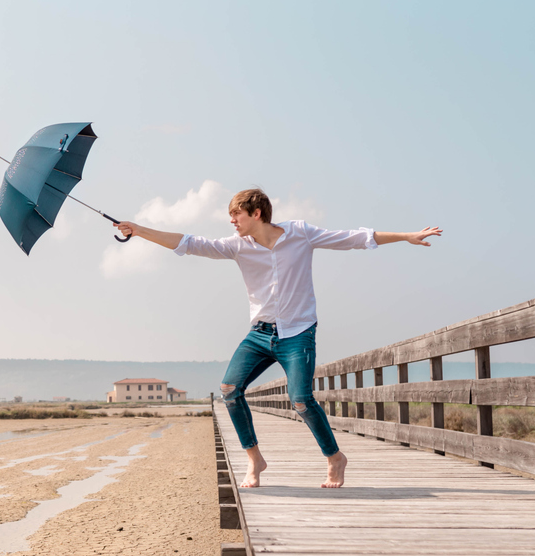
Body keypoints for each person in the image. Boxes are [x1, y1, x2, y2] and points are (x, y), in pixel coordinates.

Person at [116, 188, 440, 488]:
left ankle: (335, 458)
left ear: (256, 213)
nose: (232, 221)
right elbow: (189, 243)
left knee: (301, 400)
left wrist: (406, 236)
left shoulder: (299, 233)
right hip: (260, 334)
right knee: (229, 388)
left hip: (298, 333)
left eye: (236, 215)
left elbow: (352, 238)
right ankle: (255, 459)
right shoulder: (236, 245)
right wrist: (139, 230)